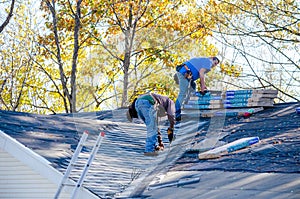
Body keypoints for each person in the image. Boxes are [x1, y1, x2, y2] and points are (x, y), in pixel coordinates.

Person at [175, 56, 220, 121]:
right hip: (184, 74)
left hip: (187, 76)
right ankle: (177, 114)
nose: (214, 65)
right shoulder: (208, 61)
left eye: (216, 65)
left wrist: (203, 86)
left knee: (193, 87)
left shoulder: (204, 61)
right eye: (215, 63)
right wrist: (202, 87)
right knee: (182, 93)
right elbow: (201, 73)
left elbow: (200, 74)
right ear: (212, 59)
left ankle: (187, 105)